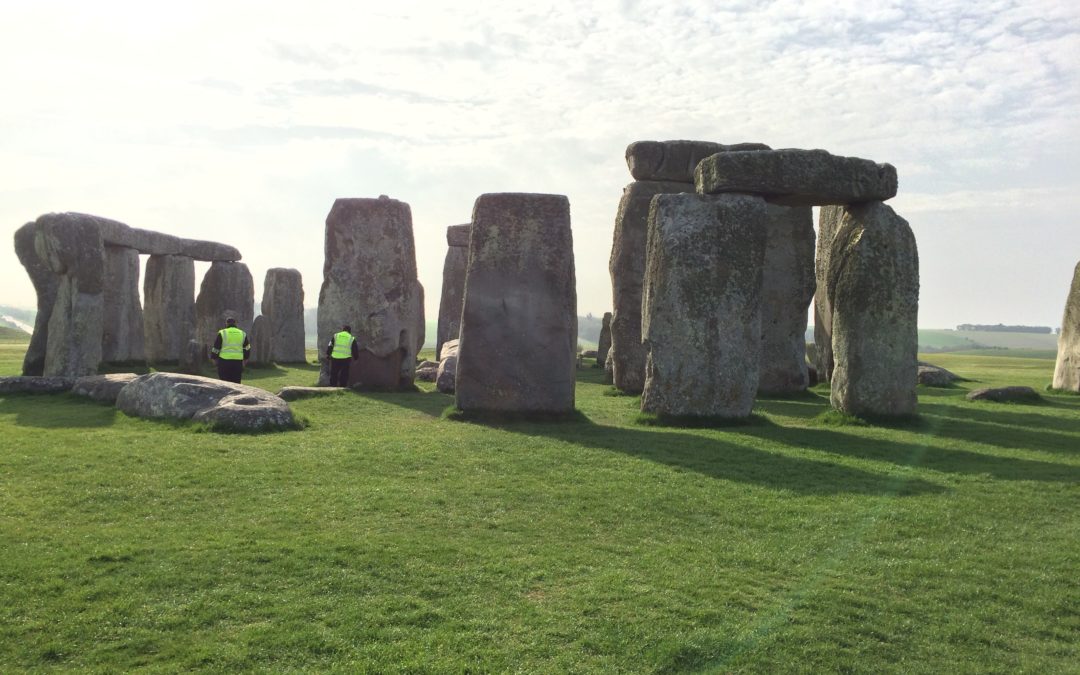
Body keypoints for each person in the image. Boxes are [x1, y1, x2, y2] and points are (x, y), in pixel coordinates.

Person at [210, 317, 251, 384]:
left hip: (224, 361)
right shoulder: (242, 333)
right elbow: (247, 348)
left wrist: (214, 358)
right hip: (237, 362)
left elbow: (216, 348)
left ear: (226, 324)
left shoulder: (222, 333)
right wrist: (245, 360)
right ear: (235, 324)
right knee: (236, 384)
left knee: (224, 384)